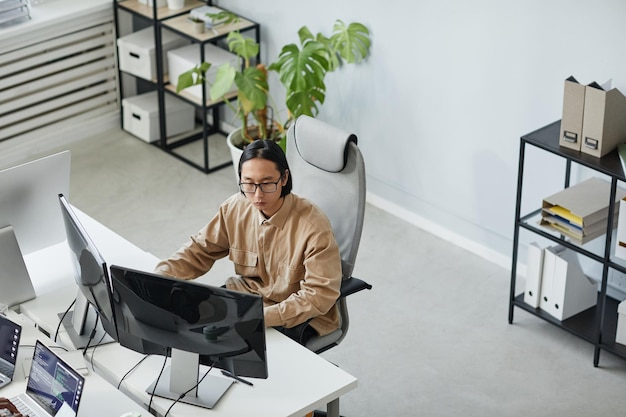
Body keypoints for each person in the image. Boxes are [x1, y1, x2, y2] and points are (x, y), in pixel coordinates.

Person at [154, 139, 342, 346]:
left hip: (300, 316)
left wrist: (260, 317)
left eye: (267, 183)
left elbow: (318, 296)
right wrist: (161, 276)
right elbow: (199, 249)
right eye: (249, 184)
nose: (258, 195)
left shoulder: (314, 226)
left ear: (284, 178)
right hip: (247, 298)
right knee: (188, 327)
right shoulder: (235, 207)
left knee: (234, 351)